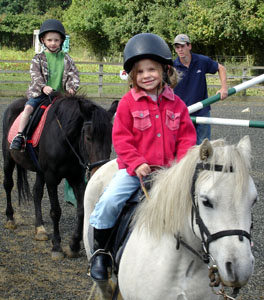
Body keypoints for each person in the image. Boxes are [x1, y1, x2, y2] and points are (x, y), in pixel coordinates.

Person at [89, 33, 197, 281]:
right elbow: (122, 138)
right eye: (140, 72)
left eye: (152, 69)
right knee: (109, 202)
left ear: (165, 70)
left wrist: (180, 168)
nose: (147, 75)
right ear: (132, 76)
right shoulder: (128, 103)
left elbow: (186, 139)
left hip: (169, 173)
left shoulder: (177, 105)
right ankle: (101, 252)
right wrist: (137, 163)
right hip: (134, 172)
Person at [10, 19, 80, 151]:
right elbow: (35, 75)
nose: (53, 43)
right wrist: (43, 87)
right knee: (28, 109)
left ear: (61, 41)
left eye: (56, 40)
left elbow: (74, 74)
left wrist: (71, 88)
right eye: (49, 40)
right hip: (40, 94)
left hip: (60, 95)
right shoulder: (38, 58)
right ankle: (20, 136)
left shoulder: (67, 59)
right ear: (43, 40)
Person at [173, 34, 228, 145]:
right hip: (182, 113)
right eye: (177, 47)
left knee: (203, 147)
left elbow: (220, 68)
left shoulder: (201, 61)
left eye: (183, 46)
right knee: (184, 147)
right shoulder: (172, 66)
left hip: (202, 111)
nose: (180, 49)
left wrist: (224, 88)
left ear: (189, 46)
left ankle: (203, 163)